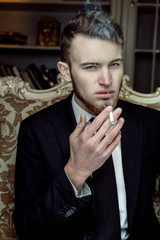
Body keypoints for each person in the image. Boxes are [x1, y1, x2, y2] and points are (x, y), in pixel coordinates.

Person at [13, 9, 160, 240]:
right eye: (91, 67)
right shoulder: (37, 130)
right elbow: (27, 228)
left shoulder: (150, 123)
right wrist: (75, 173)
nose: (107, 80)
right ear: (66, 72)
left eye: (114, 64)